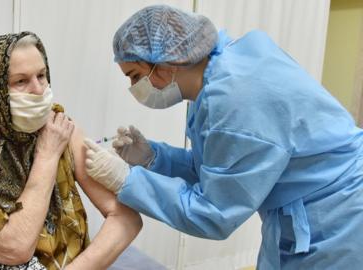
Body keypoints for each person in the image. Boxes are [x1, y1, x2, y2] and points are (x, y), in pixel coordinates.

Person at [83, 5, 363, 269]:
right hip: (309, 207)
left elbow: (214, 213)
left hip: (338, 217)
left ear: (167, 64)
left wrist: (126, 180)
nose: (134, 88)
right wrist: (155, 158)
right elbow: (216, 167)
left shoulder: (236, 100)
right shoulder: (218, 74)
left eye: (136, 76)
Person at [0, 32, 142, 270]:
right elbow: (15, 249)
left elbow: (126, 219)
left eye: (42, 76)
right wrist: (47, 156)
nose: (38, 89)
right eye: (20, 81)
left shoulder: (59, 127)